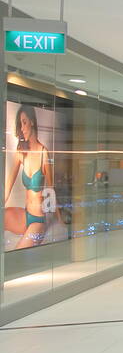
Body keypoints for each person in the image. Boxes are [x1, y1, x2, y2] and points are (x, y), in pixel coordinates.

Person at [4, 103, 56, 249]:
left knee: (18, 251)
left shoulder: (43, 153)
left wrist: (59, 219)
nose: (22, 128)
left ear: (32, 122)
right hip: (24, 214)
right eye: (20, 124)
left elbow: (51, 190)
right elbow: (8, 186)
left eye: (24, 122)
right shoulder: (21, 151)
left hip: (38, 220)